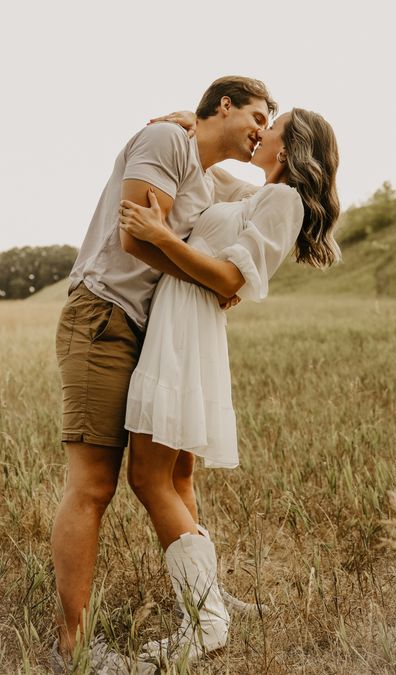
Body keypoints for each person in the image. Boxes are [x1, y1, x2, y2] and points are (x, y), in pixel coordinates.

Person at [50, 75, 277, 675]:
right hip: (104, 316)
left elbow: (265, 193)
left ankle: (205, 596)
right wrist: (210, 277)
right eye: (257, 115)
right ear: (223, 104)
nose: (261, 129)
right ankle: (72, 646)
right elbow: (136, 238)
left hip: (151, 330)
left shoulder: (203, 174)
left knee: (179, 470)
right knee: (94, 483)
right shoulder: (165, 142)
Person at [117, 107, 341, 667]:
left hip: (188, 324)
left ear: (288, 149)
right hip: (183, 316)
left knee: (147, 476)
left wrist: (159, 236)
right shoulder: (252, 192)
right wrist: (192, 119)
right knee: (178, 471)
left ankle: (205, 620)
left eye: (273, 126)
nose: (260, 133)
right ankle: (211, 595)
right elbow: (206, 163)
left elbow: (229, 279)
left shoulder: (282, 201)